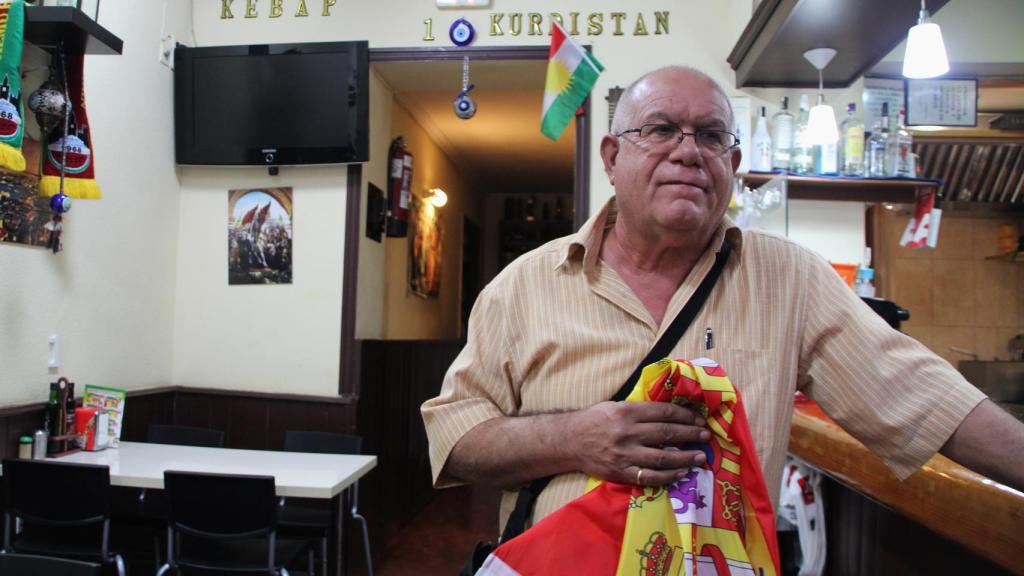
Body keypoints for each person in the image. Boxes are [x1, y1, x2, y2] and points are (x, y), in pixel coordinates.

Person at [421, 66, 1024, 535]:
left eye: (710, 136)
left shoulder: (792, 280)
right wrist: (576, 438)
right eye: (660, 129)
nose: (688, 151)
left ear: (731, 164)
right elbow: (456, 444)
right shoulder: (524, 285)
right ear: (612, 157)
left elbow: (926, 398)